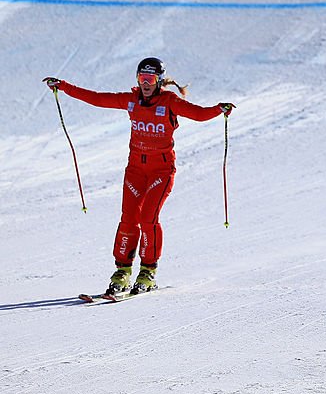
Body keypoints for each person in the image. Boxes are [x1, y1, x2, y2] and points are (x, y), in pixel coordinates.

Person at [44, 58, 235, 295]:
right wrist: (62, 86)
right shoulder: (131, 100)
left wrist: (219, 109)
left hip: (161, 172)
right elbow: (96, 98)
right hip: (134, 171)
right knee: (128, 219)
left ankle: (148, 272)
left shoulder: (170, 102)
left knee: (148, 219)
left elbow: (198, 114)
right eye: (142, 79)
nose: (146, 83)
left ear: (159, 81)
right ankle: (122, 272)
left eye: (151, 79)